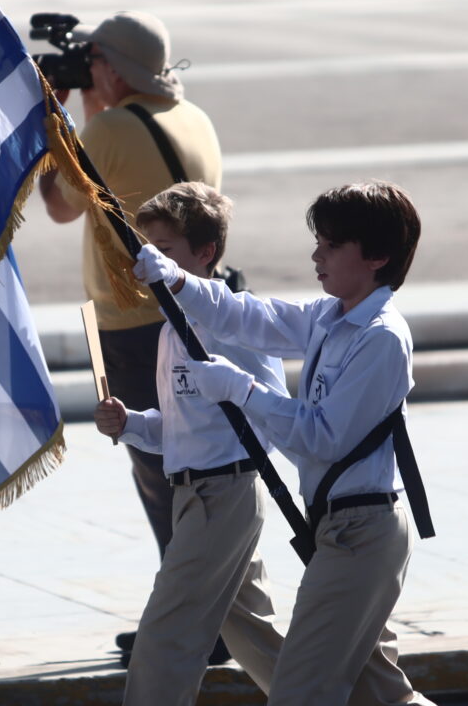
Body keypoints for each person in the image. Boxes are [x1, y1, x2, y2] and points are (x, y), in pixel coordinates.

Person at [133, 181, 436, 705]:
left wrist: (243, 389)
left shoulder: (381, 337)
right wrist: (180, 281)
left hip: (361, 533)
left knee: (299, 692)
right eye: (318, 241)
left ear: (378, 257)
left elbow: (321, 439)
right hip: (338, 528)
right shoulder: (331, 316)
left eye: (332, 245)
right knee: (380, 696)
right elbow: (249, 317)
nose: (316, 255)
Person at [37, 11, 224, 657]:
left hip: (130, 319)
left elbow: (59, 205)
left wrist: (55, 114)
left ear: (110, 69)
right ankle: (207, 615)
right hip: (190, 310)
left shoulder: (110, 127)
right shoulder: (192, 116)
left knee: (160, 474)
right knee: (193, 470)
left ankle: (186, 627)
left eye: (92, 64)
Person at [94, 182, 285, 704]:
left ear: (206, 254)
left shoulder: (235, 321)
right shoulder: (169, 330)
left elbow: (275, 413)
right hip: (193, 496)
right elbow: (179, 427)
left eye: (165, 251)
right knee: (255, 639)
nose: (148, 262)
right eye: (145, 249)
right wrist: (130, 423)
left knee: (165, 637)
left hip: (224, 493)